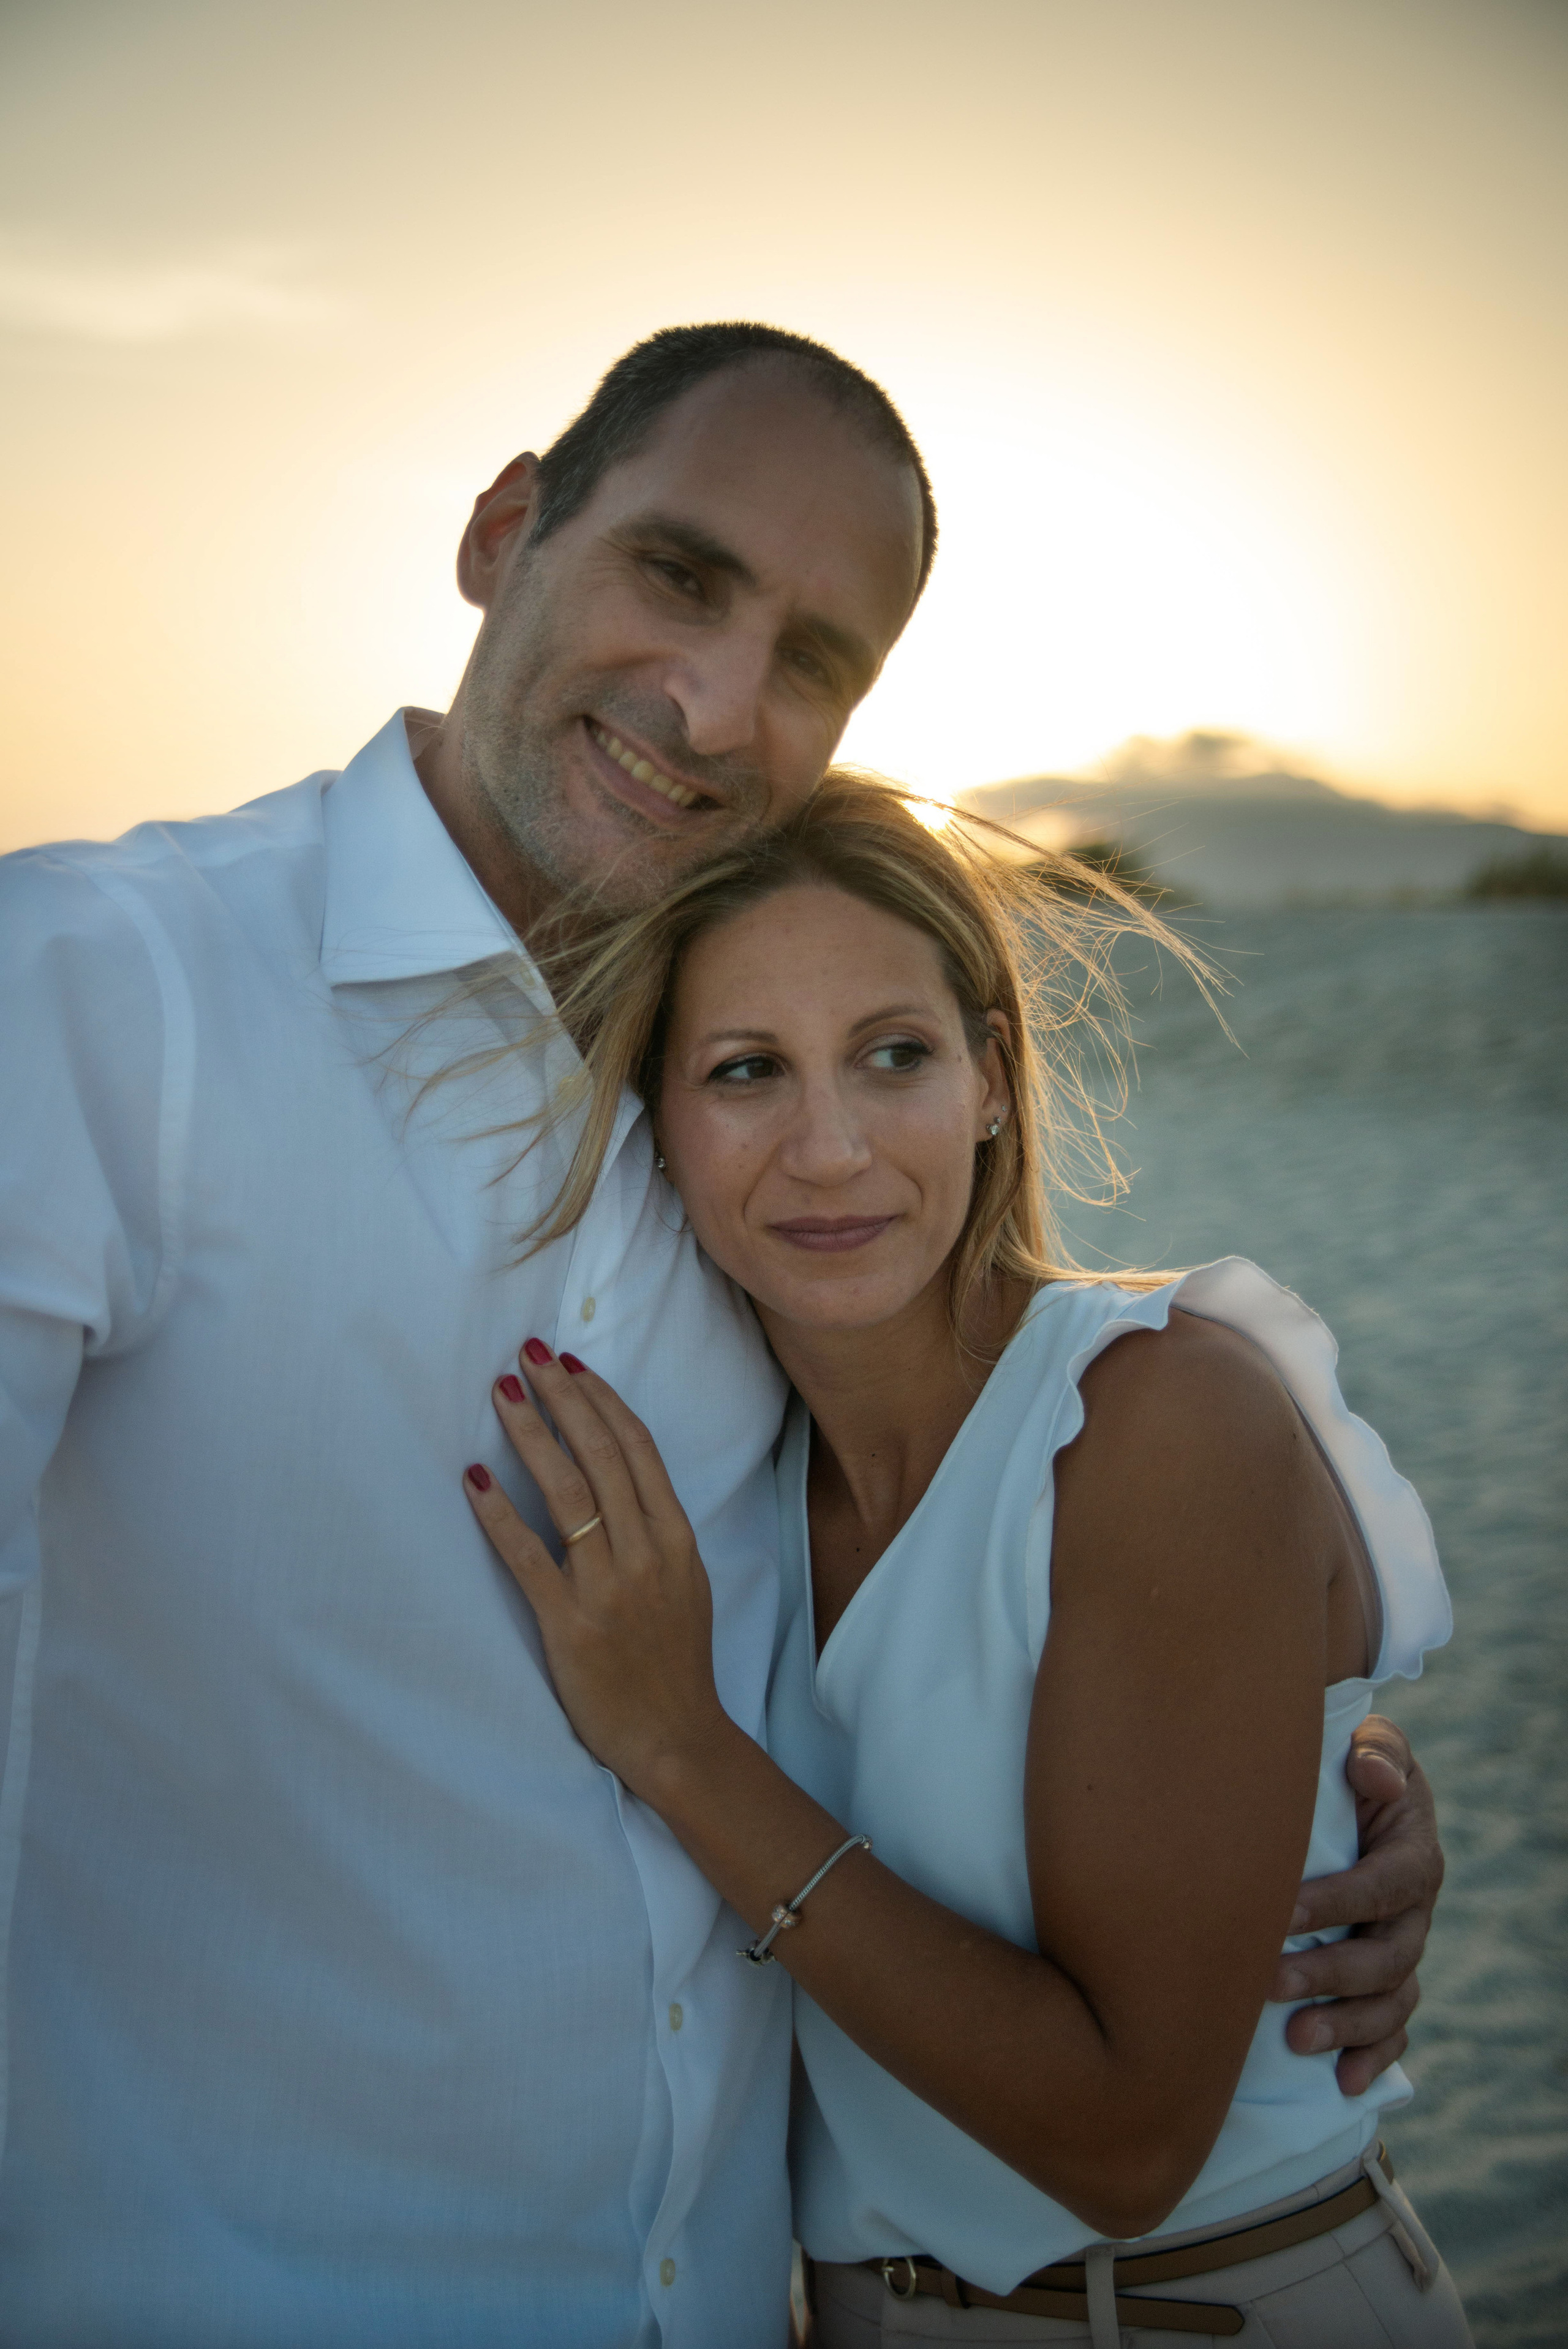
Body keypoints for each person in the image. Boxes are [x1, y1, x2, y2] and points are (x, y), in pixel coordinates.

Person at [0, 323, 1441, 2347]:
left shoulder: (750, 1168)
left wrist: (1305, 1790)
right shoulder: (90, 995)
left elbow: (1017, 1550)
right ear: (507, 529)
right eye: (679, 574)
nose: (712, 699)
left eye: (817, 657)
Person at [461, 772, 1472, 2344]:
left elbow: (1128, 2141)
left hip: (1213, 2306)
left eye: (893, 1056)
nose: (829, 1147)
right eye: (745, 1070)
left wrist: (679, 1747)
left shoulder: (1151, 1416)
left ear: (991, 1078)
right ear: (658, 1117)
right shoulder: (728, 1479)